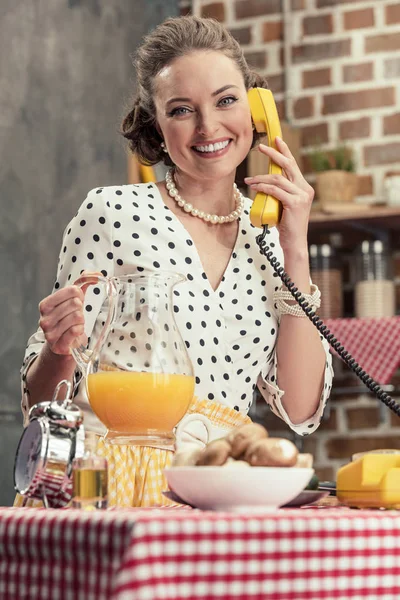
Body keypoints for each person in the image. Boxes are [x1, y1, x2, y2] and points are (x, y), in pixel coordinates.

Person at [16, 15, 333, 508]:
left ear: (255, 110)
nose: (209, 127)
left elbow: (301, 407)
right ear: (157, 126)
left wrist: (295, 247)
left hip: (221, 487)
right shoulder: (112, 213)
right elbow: (43, 404)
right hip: (116, 482)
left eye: (226, 100)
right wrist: (59, 347)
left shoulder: (269, 235)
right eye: (182, 110)